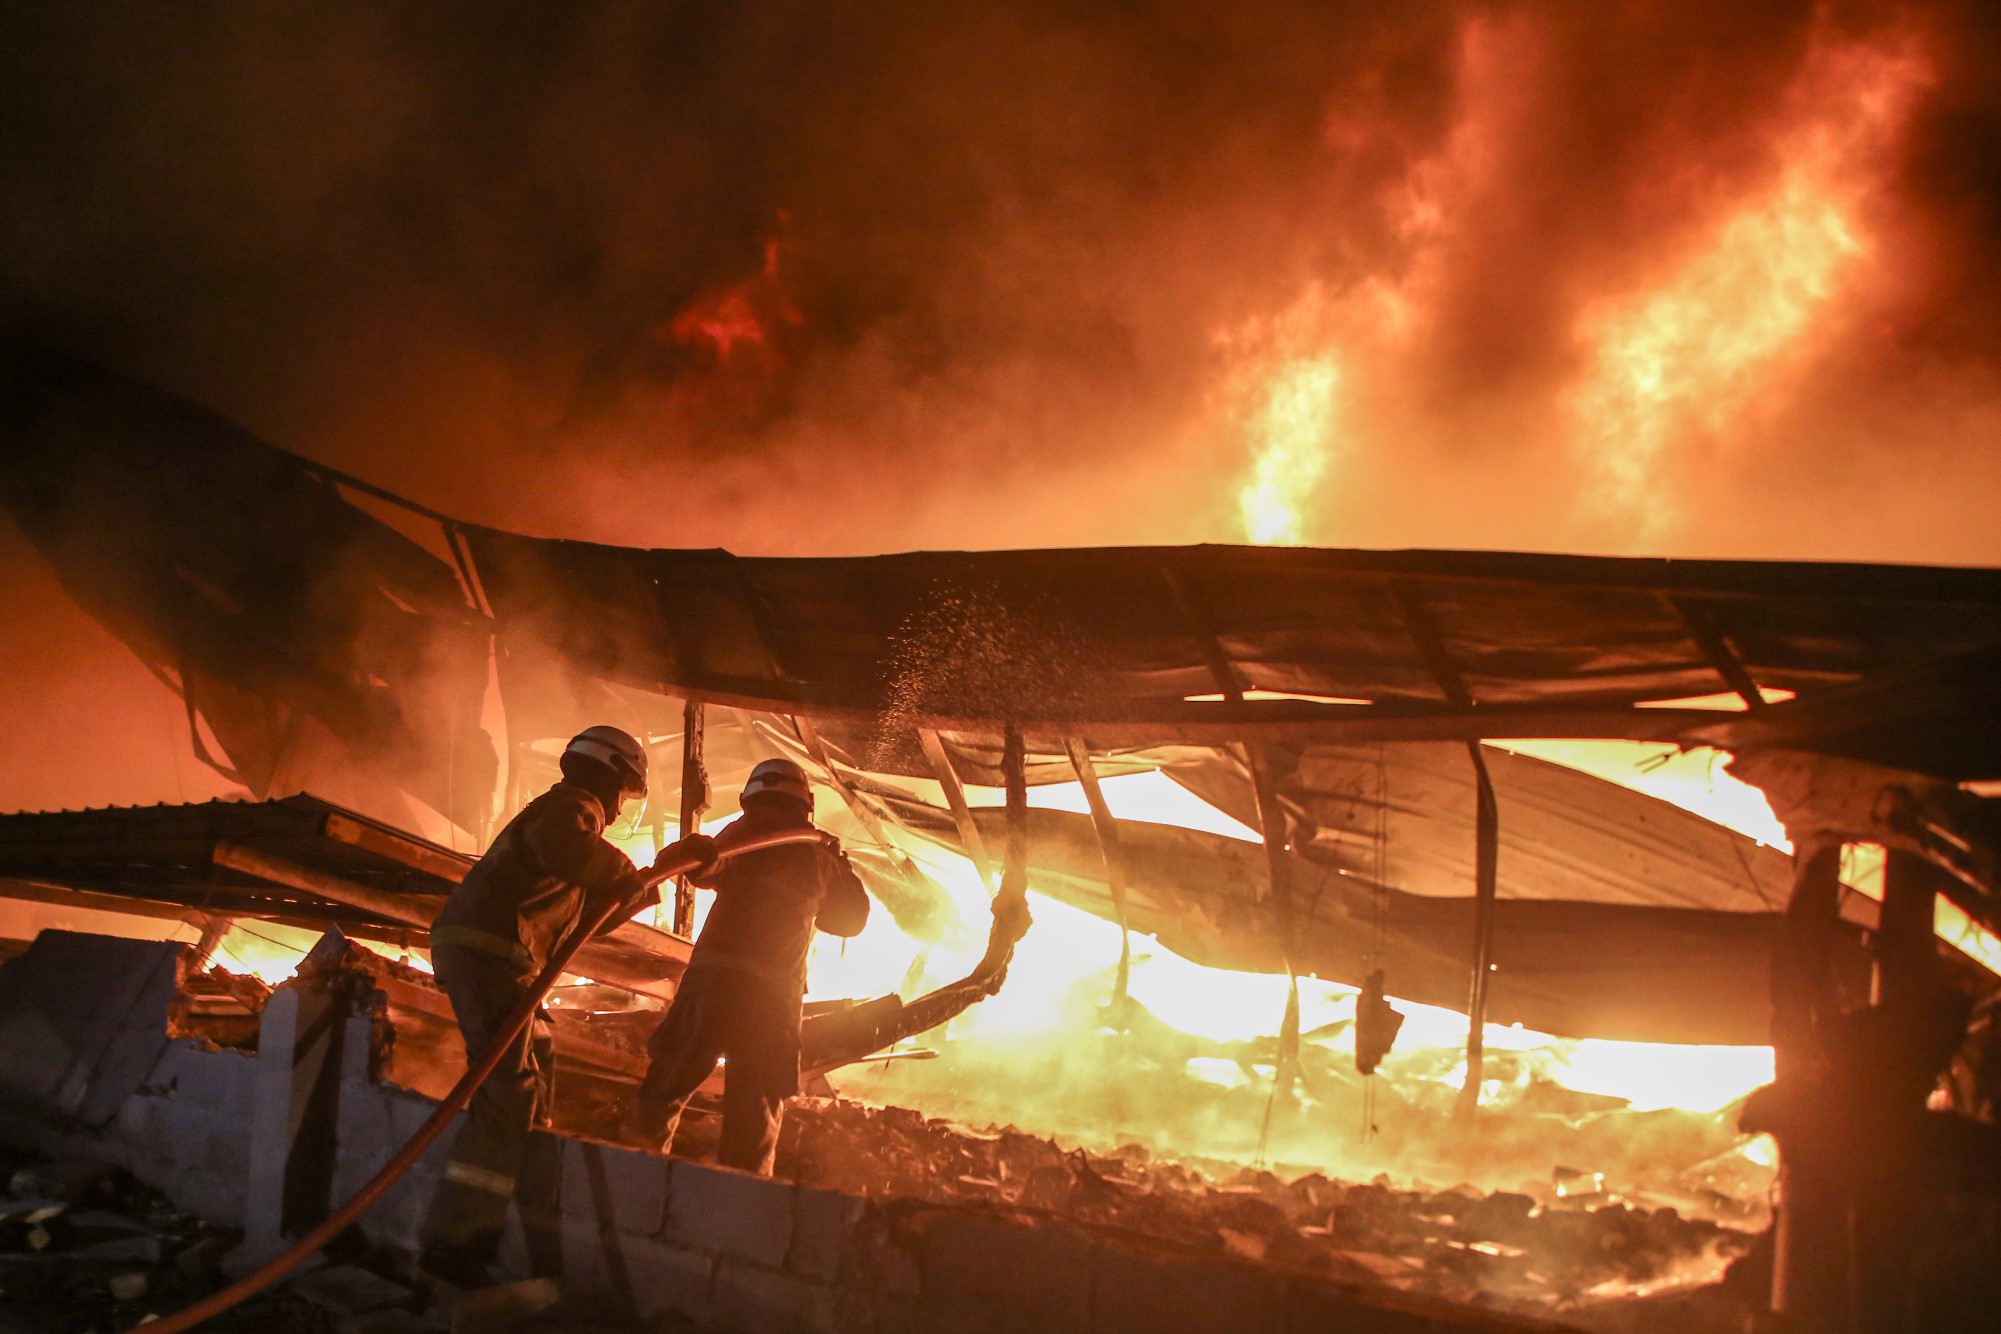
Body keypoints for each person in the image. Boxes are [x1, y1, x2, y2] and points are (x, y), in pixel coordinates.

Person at [419, 724, 709, 1286]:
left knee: (539, 1059)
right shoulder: (571, 809)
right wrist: (626, 872)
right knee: (509, 1092)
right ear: (614, 777)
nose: (624, 806)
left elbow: (589, 920)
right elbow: (567, 850)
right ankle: (457, 1244)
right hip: (488, 955)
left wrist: (639, 887)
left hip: (503, 961)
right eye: (627, 791)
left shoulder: (569, 829)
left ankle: (522, 1217)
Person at [622, 756, 869, 1174]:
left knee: (664, 1089)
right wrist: (837, 861)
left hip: (709, 987)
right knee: (755, 1110)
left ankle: (627, 1179)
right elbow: (851, 918)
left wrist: (701, 850)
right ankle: (740, 1206)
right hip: (769, 1001)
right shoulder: (815, 856)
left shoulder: (738, 836)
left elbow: (697, 866)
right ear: (805, 803)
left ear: (748, 799)